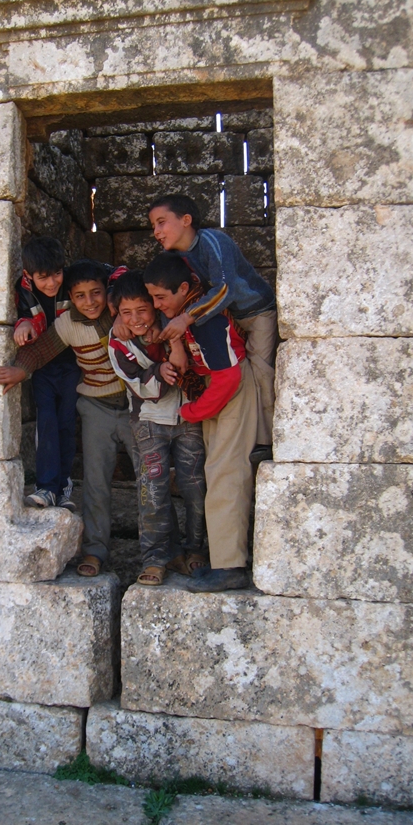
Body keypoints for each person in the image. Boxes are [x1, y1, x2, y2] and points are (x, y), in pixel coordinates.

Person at [0, 259, 132, 578]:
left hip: (138, 407)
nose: (90, 301)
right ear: (70, 297)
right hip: (96, 407)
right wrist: (21, 369)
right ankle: (95, 551)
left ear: (107, 291)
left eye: (96, 293)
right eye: (80, 295)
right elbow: (41, 351)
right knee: (96, 484)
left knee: (152, 479)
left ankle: (160, 553)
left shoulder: (122, 311)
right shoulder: (68, 323)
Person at [143, 253, 257, 593]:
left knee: (226, 473)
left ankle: (231, 567)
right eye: (152, 298)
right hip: (215, 391)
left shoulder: (206, 321)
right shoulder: (183, 317)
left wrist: (193, 411)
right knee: (217, 471)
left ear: (182, 289)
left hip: (229, 391)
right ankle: (223, 559)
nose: (156, 304)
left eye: (161, 298)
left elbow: (228, 376)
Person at [148, 193, 277, 462]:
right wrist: (175, 344)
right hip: (226, 319)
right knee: (247, 375)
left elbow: (225, 289)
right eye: (153, 226)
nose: (156, 232)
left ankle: (268, 441)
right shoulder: (173, 257)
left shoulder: (212, 241)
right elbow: (166, 301)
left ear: (186, 220)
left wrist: (186, 320)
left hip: (256, 312)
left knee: (262, 372)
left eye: (161, 222)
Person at [108, 270, 207, 587]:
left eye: (142, 310)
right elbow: (145, 388)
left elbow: (186, 365)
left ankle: (194, 550)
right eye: (127, 313)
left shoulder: (172, 323)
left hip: (189, 417)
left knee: (195, 487)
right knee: (153, 492)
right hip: (149, 421)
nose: (135, 319)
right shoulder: (119, 343)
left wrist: (173, 344)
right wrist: (160, 369)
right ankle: (155, 558)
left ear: (155, 305)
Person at [12, 236, 80, 510]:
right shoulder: (23, 290)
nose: (52, 283)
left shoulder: (74, 280)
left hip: (72, 365)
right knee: (47, 424)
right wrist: (23, 324)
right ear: (28, 276)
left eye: (57, 274)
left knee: (66, 423)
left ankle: (63, 487)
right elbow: (23, 315)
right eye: (43, 278)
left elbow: (110, 276)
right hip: (42, 367)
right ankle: (46, 487)